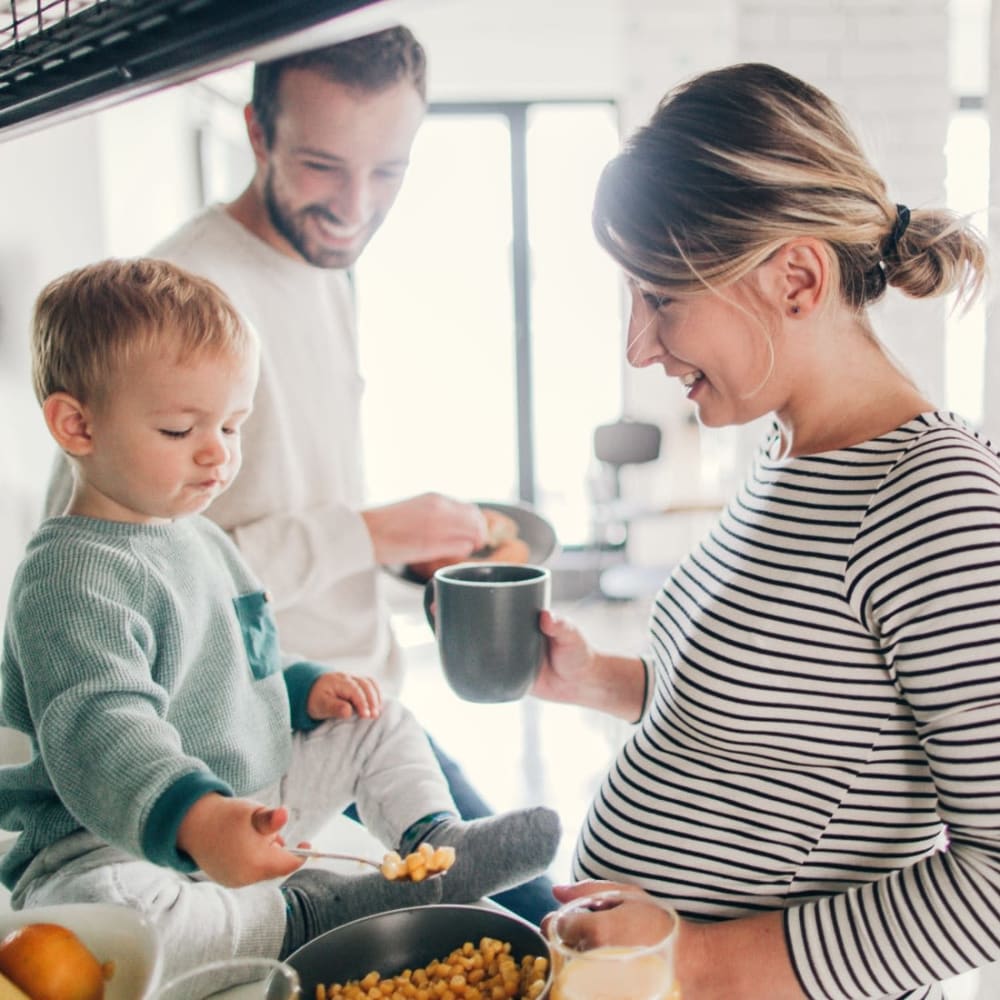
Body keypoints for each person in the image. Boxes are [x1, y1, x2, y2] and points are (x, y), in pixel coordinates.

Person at [42, 24, 556, 924]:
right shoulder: (182, 298)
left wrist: (400, 563)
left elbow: (275, 511)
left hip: (337, 694)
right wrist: (367, 532)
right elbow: (114, 554)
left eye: (387, 170)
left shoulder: (319, 267)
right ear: (256, 133)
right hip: (238, 753)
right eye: (323, 166)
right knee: (515, 928)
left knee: (537, 920)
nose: (355, 205)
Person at [531, 62, 1000, 1000]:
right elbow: (775, 723)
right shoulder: (787, 452)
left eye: (660, 297)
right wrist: (598, 680)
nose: (638, 344)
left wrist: (690, 959)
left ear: (795, 277)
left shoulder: (939, 503)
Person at [1, 257, 560, 980]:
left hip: (240, 795)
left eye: (233, 426)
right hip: (110, 838)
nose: (218, 455)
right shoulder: (69, 577)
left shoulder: (193, 531)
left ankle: (433, 842)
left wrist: (303, 688)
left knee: (376, 716)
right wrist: (198, 822)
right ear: (76, 424)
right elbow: (104, 731)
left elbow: (240, 655)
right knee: (117, 911)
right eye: (179, 430)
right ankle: (306, 913)